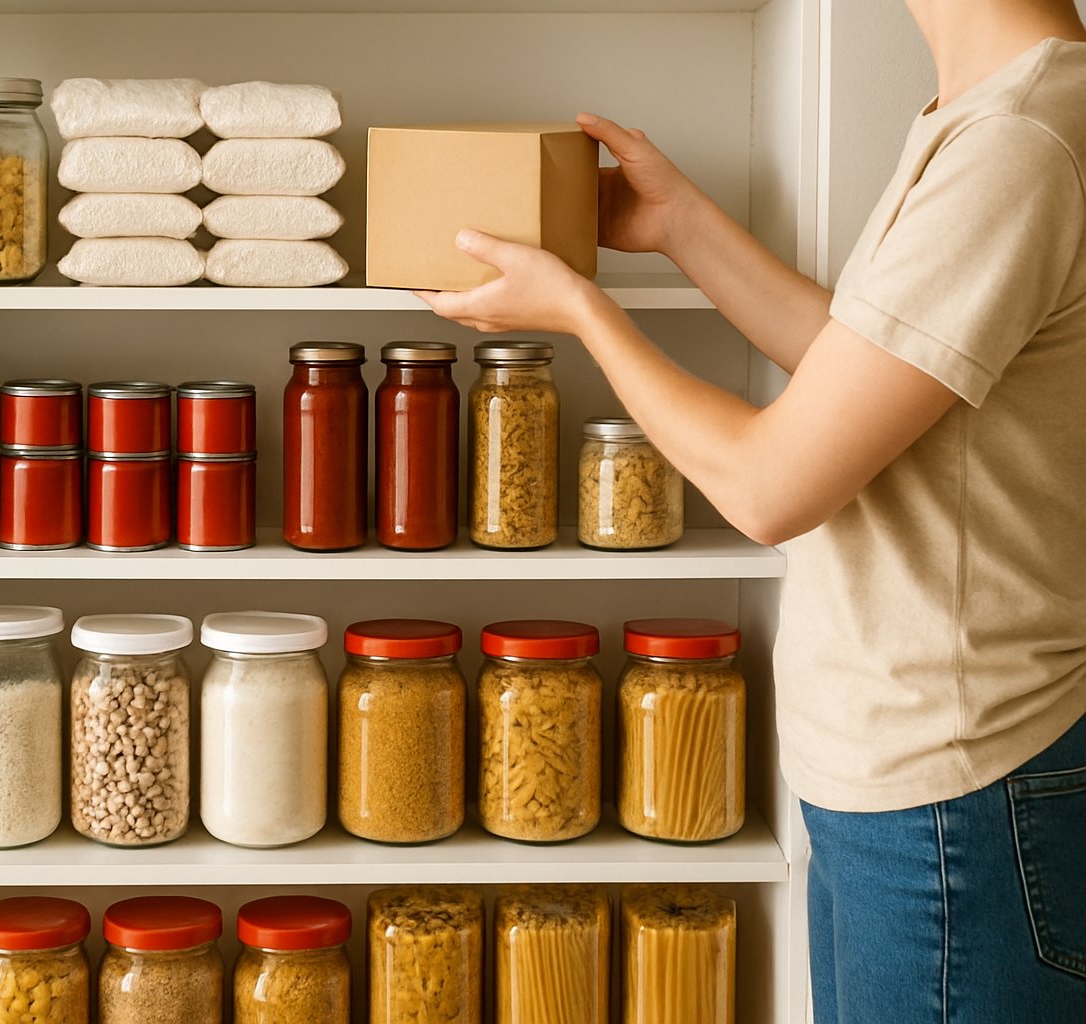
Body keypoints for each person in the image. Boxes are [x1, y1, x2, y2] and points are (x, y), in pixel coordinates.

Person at [418, 1, 1086, 1020]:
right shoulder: (989, 112)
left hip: (961, 781)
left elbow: (770, 487)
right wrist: (681, 225)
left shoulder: (1019, 141)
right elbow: (866, 372)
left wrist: (584, 314)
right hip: (911, 766)